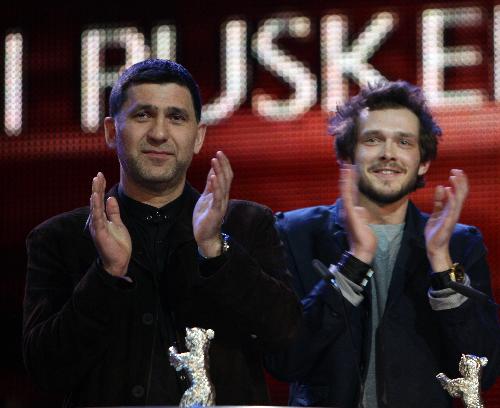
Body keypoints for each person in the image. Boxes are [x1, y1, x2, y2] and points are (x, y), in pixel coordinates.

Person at [23, 58, 301, 407]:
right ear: (111, 131)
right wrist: (106, 276)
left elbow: (287, 341)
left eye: (176, 117)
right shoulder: (60, 238)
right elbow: (45, 372)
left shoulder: (247, 225)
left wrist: (215, 250)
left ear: (198, 136)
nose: (158, 132)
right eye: (143, 115)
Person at [265, 80, 500, 408]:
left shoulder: (460, 245)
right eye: (373, 139)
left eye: (404, 142)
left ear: (423, 162)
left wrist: (441, 262)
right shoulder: (295, 232)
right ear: (348, 154)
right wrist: (354, 261)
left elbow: (481, 371)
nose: (388, 153)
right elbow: (284, 361)